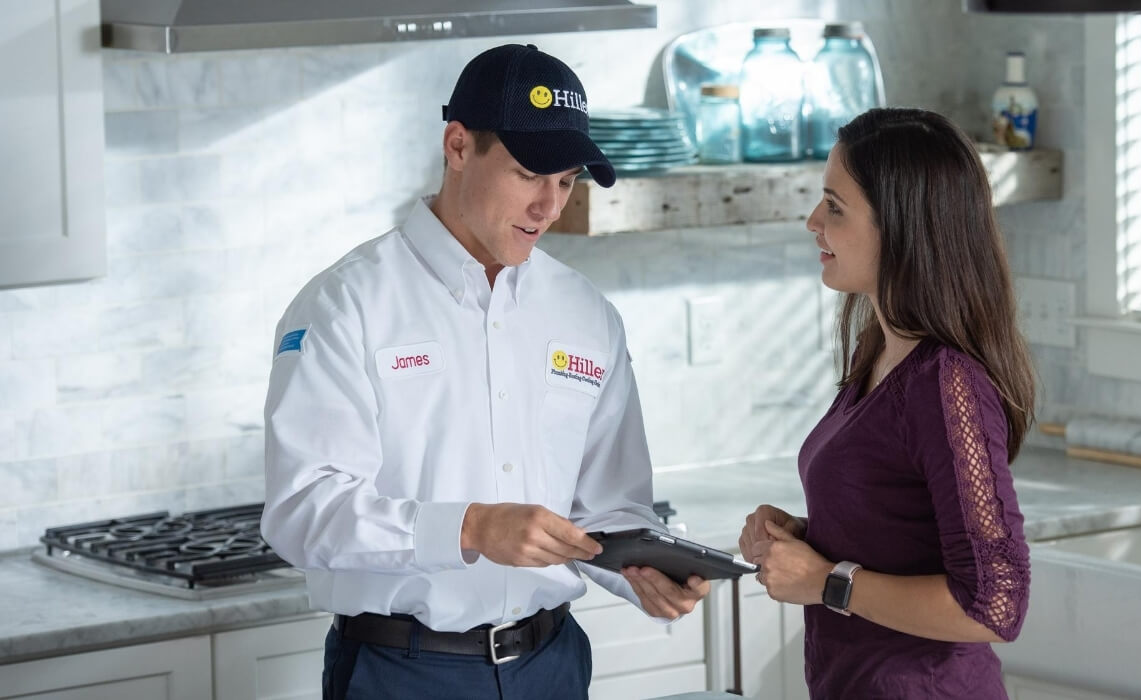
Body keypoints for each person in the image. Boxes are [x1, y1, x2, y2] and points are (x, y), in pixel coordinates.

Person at [262, 44, 709, 700]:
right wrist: (470, 527)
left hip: (553, 664)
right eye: (531, 174)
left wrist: (643, 568)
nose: (549, 207)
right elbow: (303, 511)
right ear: (458, 145)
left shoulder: (586, 314)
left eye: (568, 181)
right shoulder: (347, 303)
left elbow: (608, 505)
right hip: (402, 673)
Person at [738, 108, 1035, 699]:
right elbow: (897, 531)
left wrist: (825, 580)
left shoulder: (947, 383)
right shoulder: (881, 354)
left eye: (836, 207)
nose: (813, 221)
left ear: (899, 228)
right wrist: (804, 536)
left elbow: (995, 605)